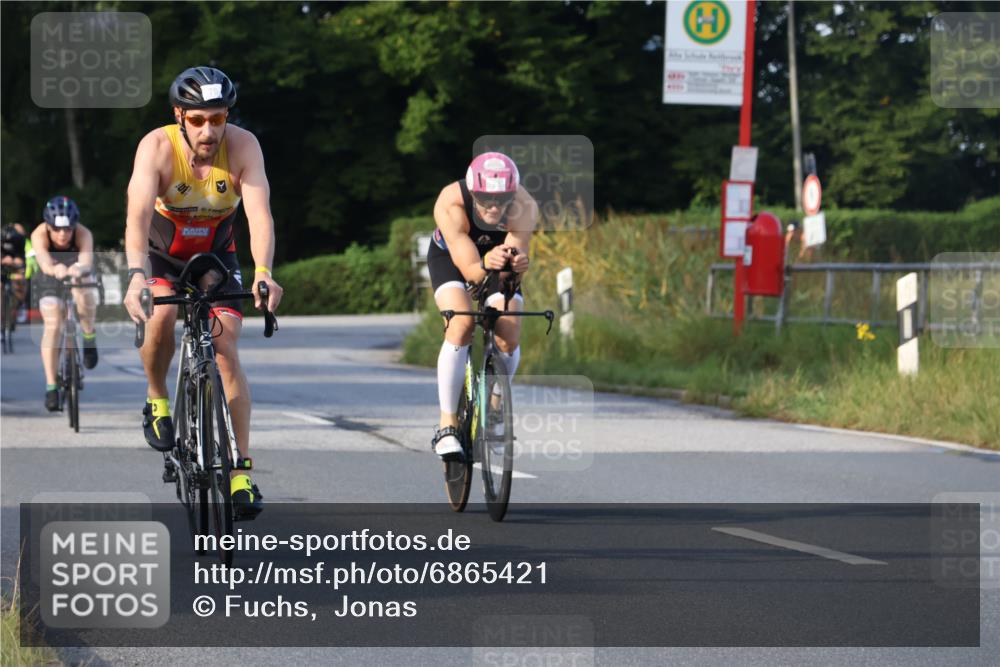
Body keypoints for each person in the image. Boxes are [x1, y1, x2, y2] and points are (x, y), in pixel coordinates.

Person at [121, 66, 283, 519]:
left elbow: (260, 215)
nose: (210, 130)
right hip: (161, 256)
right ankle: (157, 398)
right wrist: (136, 275)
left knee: (226, 347)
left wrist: (264, 272)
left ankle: (240, 473)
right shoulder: (156, 147)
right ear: (179, 116)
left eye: (218, 118)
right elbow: (135, 218)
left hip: (215, 256)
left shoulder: (244, 146)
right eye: (198, 120)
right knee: (160, 318)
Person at [428, 152, 537, 460]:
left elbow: (510, 267)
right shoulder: (451, 201)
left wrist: (515, 265)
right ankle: (447, 425)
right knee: (460, 324)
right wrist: (485, 265)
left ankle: (496, 407)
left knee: (509, 332)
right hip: (450, 258)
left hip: (496, 260)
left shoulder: (525, 206)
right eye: (486, 199)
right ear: (473, 192)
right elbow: (471, 270)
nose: (493, 206)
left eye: (501, 199)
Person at [29, 197, 99, 410]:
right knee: (53, 325)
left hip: (77, 269)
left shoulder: (84, 233)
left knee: (85, 289)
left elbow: (86, 261)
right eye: (57, 229)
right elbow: (44, 261)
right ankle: (51, 386)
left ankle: (88, 336)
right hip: (50, 274)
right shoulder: (38, 234)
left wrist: (78, 269)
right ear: (48, 226)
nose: (62, 234)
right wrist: (55, 269)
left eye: (68, 229)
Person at [1, 223, 28, 321]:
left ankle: (19, 304)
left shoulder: (20, 240)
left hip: (15, 264)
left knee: (20, 280)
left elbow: (21, 260)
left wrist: (13, 262)